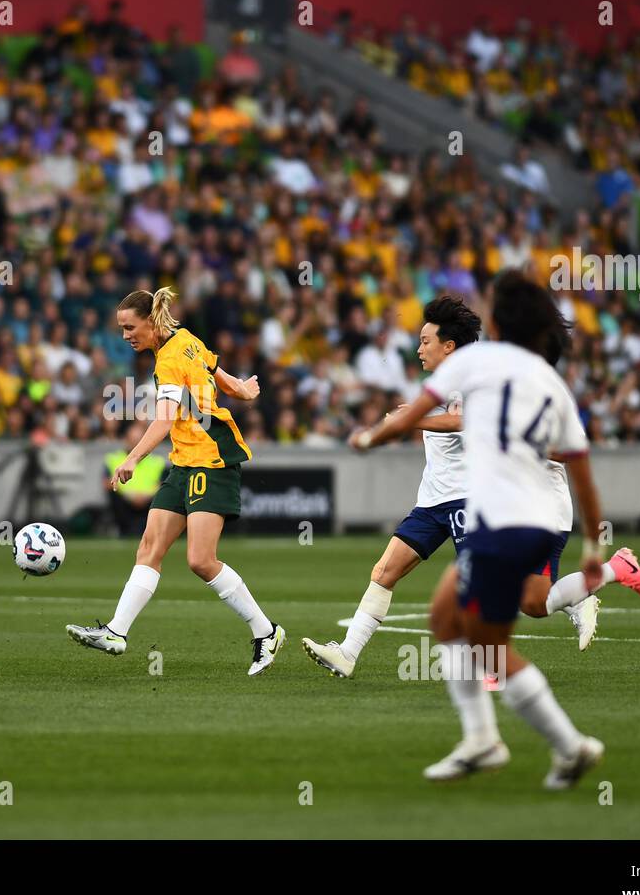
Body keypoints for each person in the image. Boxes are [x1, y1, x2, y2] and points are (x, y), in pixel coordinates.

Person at [355, 270, 607, 789]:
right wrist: (592, 543)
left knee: (479, 639)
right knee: (453, 618)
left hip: (503, 521)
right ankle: (499, 740)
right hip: (541, 520)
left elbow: (412, 416)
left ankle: (553, 744)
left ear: (498, 319)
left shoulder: (476, 361)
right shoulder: (549, 382)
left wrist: (367, 439)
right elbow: (580, 464)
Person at [65, 287, 285, 675]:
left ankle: (265, 631)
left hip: (211, 461)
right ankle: (117, 632)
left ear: (151, 322)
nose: (125, 335)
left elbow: (164, 419)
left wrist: (132, 458)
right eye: (121, 329)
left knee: (201, 560)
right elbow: (219, 373)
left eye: (130, 327)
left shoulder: (168, 359)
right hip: (184, 462)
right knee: (149, 546)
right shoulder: (187, 340)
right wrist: (243, 391)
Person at [302, 296, 478, 677]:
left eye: (425, 341)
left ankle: (568, 599)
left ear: (449, 345)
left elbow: (464, 421)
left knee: (483, 586)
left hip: (470, 497)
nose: (418, 349)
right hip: (433, 501)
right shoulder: (439, 384)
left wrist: (412, 420)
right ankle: (347, 654)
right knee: (384, 571)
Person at [105, 420, 164, 535]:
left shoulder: (157, 461)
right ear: (125, 440)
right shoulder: (113, 458)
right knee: (114, 495)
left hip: (149, 501)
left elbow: (162, 483)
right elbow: (107, 482)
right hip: (125, 502)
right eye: (133, 440)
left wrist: (146, 496)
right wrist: (129, 496)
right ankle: (122, 529)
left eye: (139, 441)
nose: (135, 444)